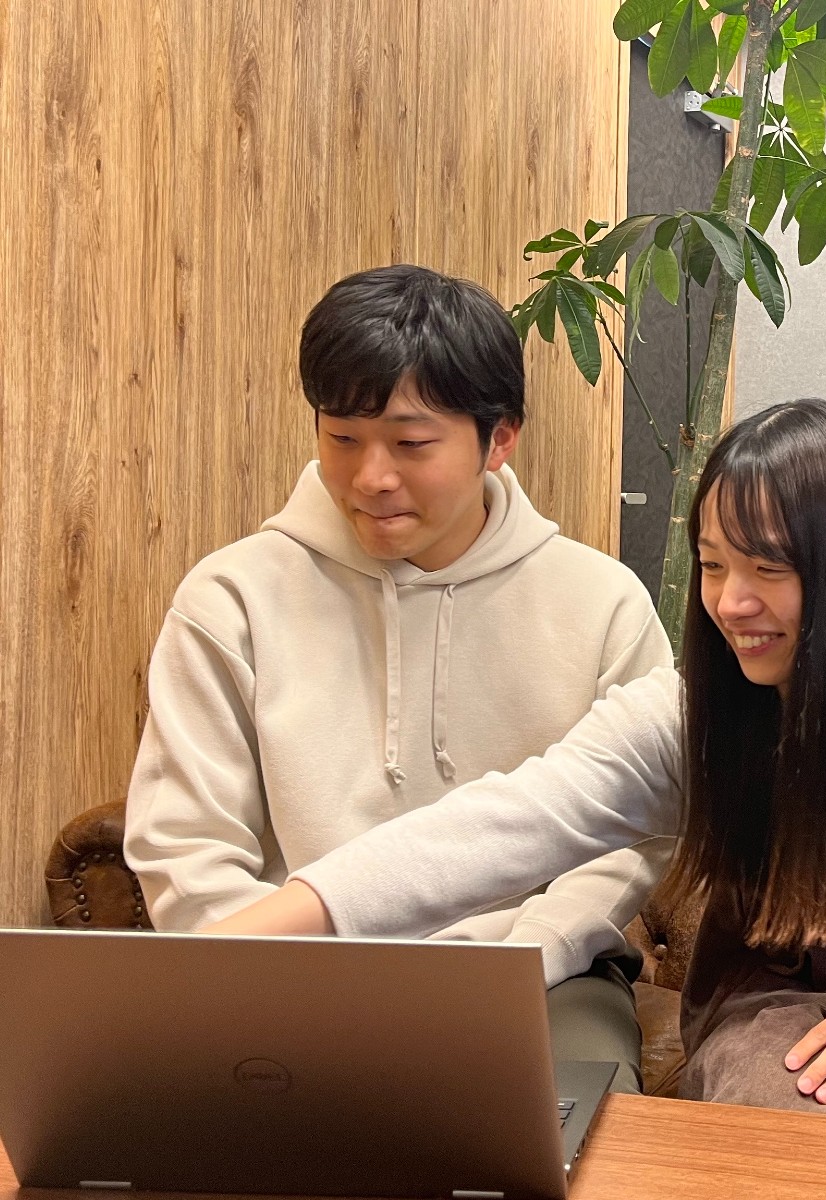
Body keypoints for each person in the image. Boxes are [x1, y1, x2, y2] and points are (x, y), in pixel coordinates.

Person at [206, 398, 826, 1132]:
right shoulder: (688, 715)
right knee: (795, 1117)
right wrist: (235, 945)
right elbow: (501, 826)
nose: (730, 603)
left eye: (767, 568)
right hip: (775, 1012)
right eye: (713, 565)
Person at [124, 264, 672, 1090]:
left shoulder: (601, 602)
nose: (371, 477)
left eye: (412, 445)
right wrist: (268, 978)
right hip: (283, 979)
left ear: (499, 439)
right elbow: (185, 843)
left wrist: (524, 954)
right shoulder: (230, 599)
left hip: (539, 976)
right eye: (342, 438)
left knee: (580, 1126)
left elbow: (633, 837)